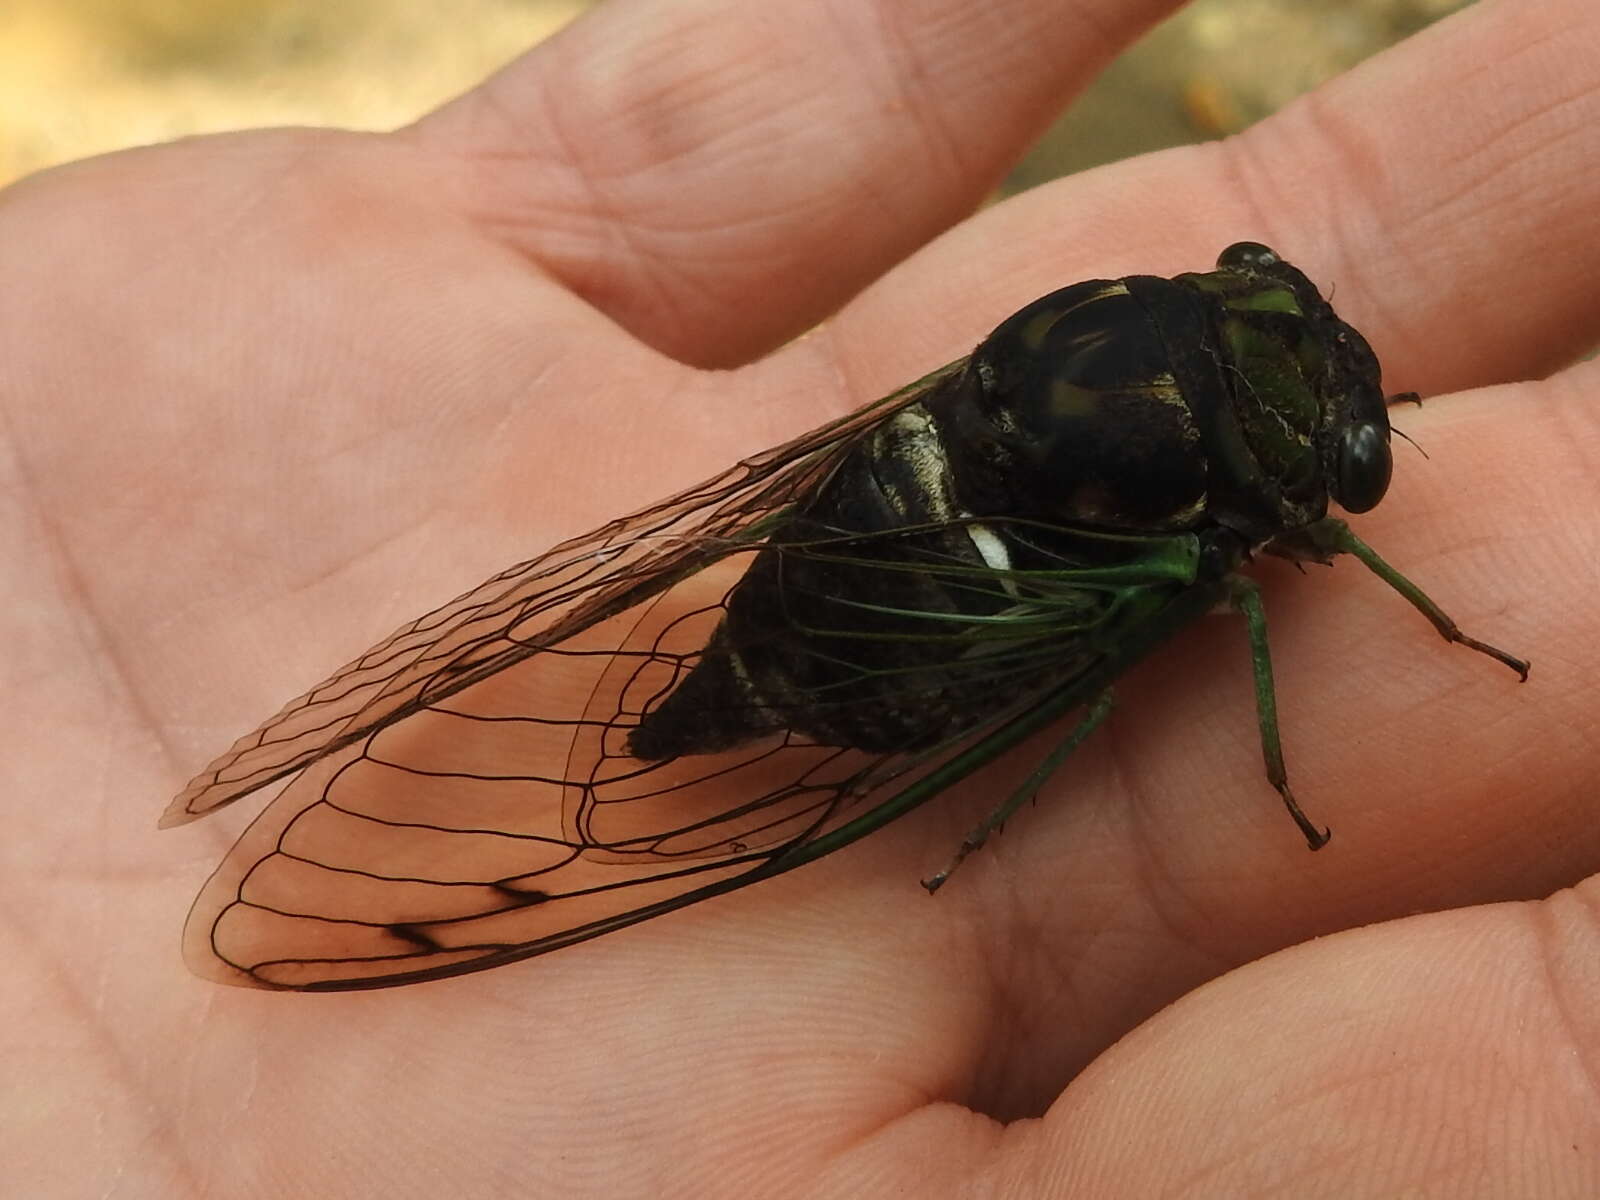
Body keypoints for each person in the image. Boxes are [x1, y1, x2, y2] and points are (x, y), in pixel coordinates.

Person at [4, 0, 1596, 1193]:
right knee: (1163, 632)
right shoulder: (1231, 550)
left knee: (1091, 597)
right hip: (896, 653)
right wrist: (1414, 645)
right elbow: (1137, 669)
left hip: (892, 484)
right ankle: (710, 712)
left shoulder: (1137, 338)